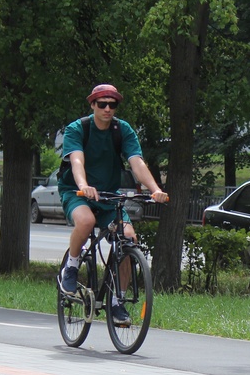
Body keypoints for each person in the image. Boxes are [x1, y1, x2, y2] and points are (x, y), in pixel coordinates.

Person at [58, 83, 168, 325]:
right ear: (92, 105)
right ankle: (72, 264)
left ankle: (117, 301)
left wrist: (156, 189)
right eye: (102, 104)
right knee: (86, 221)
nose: (108, 109)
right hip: (76, 191)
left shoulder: (122, 130)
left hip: (108, 194)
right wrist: (84, 185)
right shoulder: (78, 129)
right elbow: (77, 161)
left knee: (128, 239)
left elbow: (136, 163)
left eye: (113, 104)